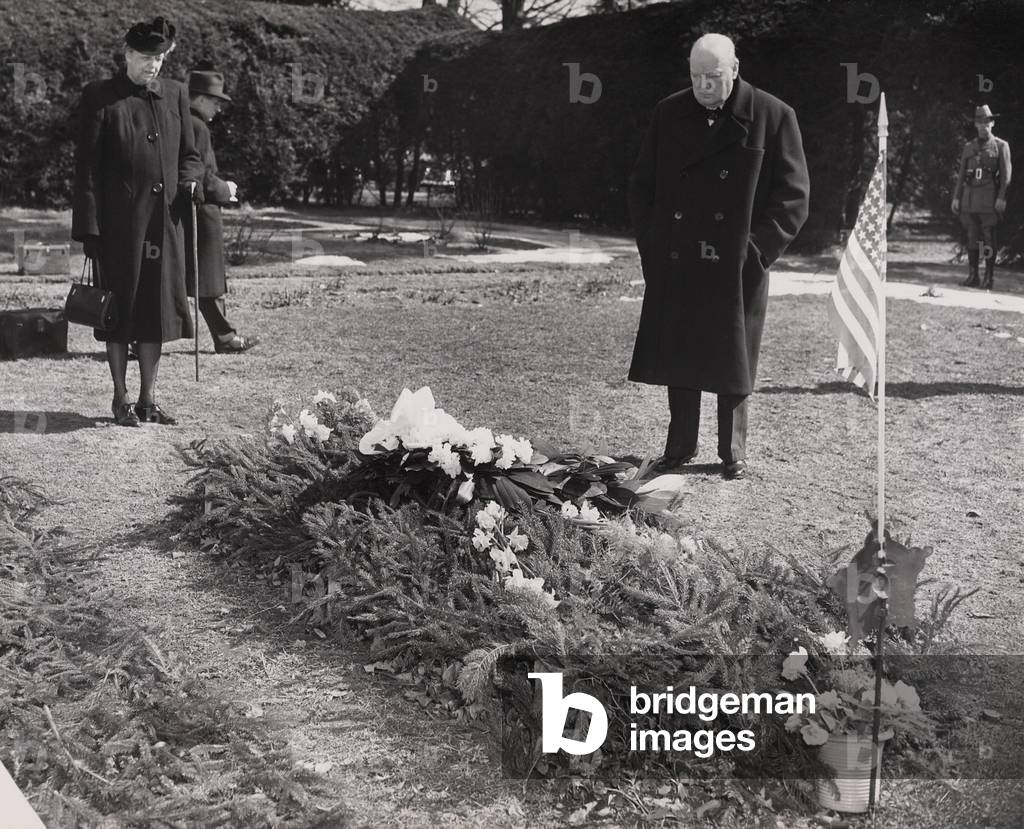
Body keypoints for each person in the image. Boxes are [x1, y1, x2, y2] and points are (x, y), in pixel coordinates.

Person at [627, 33, 809, 480]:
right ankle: (679, 446)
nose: (703, 86)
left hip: (737, 264)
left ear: (735, 69)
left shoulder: (773, 115)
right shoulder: (669, 112)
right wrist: (655, 244)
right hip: (679, 257)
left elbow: (793, 199)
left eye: (713, 76)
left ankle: (733, 453)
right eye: (695, 76)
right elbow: (641, 187)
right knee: (681, 351)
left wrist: (755, 252)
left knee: (734, 356)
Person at [71, 16, 204, 427]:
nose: (153, 66)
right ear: (127, 54)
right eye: (146, 57)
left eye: (160, 58)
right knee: (119, 313)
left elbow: (191, 154)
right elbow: (86, 169)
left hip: (164, 226)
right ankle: (120, 397)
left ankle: (148, 398)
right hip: (117, 229)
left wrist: (190, 182)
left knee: (156, 312)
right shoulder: (99, 97)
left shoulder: (176, 94)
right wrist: (90, 230)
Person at [184, 64, 260, 354]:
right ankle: (225, 338)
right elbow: (199, 172)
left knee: (198, 279)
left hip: (196, 208)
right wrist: (224, 189)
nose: (218, 108)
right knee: (209, 281)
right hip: (202, 211)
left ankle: (225, 336)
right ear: (200, 98)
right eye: (215, 101)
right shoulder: (198, 126)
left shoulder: (185, 122)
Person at [951, 105, 1011, 290]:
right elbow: (961, 174)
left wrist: (1001, 197)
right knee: (972, 237)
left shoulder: (1001, 146)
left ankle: (989, 277)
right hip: (970, 198)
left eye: (986, 122)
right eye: (980, 122)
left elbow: (1006, 175)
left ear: (992, 123)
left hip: (988, 198)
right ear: (975, 124)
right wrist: (956, 197)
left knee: (988, 237)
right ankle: (973, 275)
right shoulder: (969, 147)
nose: (983, 125)